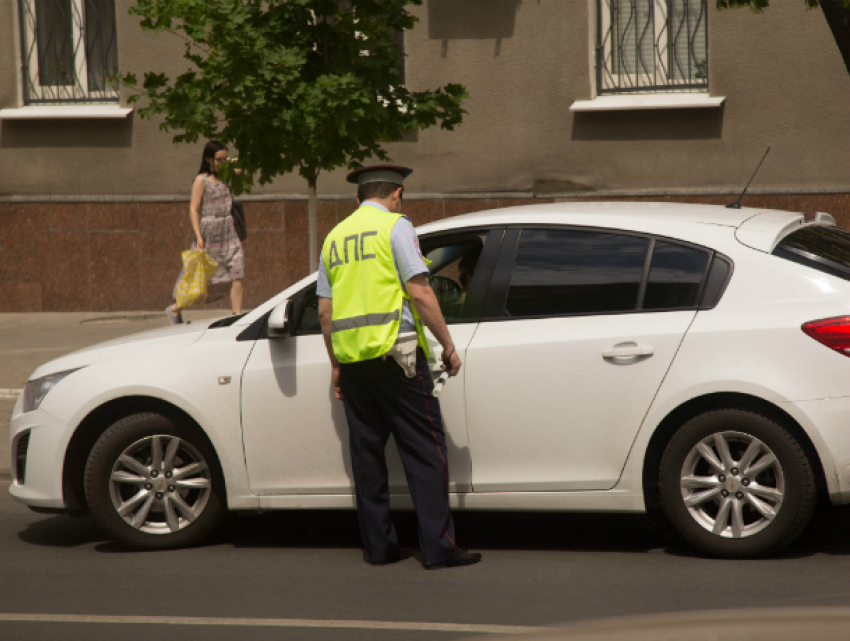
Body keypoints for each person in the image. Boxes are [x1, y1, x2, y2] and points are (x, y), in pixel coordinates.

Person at [317, 165, 482, 570]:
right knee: (426, 451)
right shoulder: (395, 227)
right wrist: (447, 345)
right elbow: (421, 291)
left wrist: (336, 365)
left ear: (357, 200)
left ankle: (380, 548)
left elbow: (325, 311)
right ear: (397, 194)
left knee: (367, 455)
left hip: (356, 362)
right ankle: (439, 549)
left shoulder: (334, 238)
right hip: (399, 355)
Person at [166, 140, 245, 324]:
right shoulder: (201, 180)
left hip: (229, 229)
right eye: (219, 160)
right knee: (200, 280)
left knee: (238, 272)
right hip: (209, 233)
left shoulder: (227, 175)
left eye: (225, 159)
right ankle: (175, 309)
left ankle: (237, 316)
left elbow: (243, 165)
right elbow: (194, 209)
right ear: (208, 159)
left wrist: (229, 161)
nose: (223, 163)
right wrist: (199, 235)